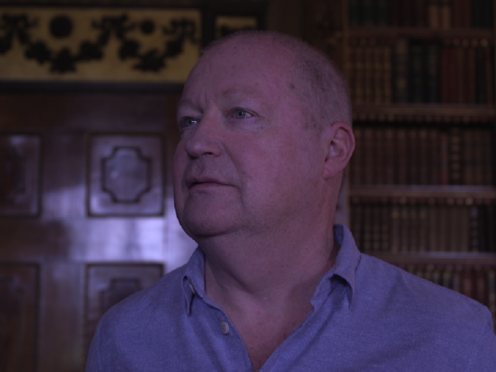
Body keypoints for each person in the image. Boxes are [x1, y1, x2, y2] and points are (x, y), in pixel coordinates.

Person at [86, 31, 496, 371]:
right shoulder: (124, 338)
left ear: (333, 150)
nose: (197, 142)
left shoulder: (454, 339)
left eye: (241, 113)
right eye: (189, 121)